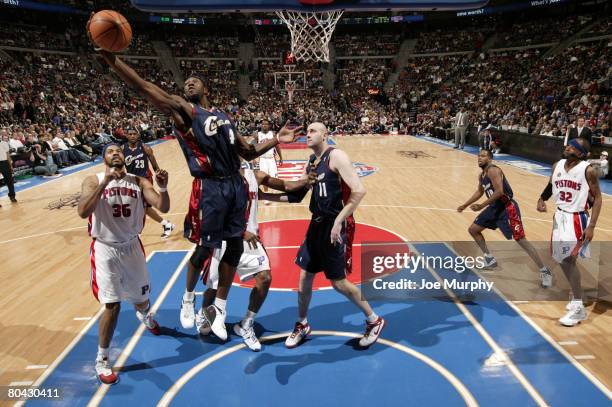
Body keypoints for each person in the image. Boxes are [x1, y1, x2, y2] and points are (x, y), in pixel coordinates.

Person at [90, 21, 302, 341]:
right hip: (210, 186)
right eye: (186, 81)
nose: (188, 83)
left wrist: (278, 139)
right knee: (206, 247)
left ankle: (217, 306)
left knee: (233, 245)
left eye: (194, 81)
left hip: (234, 186)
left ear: (207, 90)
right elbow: (146, 88)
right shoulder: (183, 111)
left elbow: (247, 151)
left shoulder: (226, 119)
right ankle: (188, 298)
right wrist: (113, 61)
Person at [269, 122, 386, 349]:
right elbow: (296, 196)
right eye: (308, 131)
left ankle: (374, 320)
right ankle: (302, 323)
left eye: (313, 131)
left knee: (339, 283)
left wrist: (339, 221)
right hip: (316, 225)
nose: (308, 134)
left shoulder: (337, 156)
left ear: (325, 135)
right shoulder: (312, 162)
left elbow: (359, 190)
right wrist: (263, 195)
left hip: (335, 226)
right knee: (304, 279)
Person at [196, 161, 314, 350]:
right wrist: (240, 231)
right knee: (213, 287)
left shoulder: (255, 176)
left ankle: (246, 324)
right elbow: (211, 211)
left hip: (250, 240)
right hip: (225, 238)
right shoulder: (218, 178)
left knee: (265, 278)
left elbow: (286, 186)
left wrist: (307, 180)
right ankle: (204, 314)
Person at [77, 143, 170, 384]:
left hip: (132, 247)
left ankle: (144, 314)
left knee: (142, 301)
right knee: (112, 305)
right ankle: (102, 359)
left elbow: (163, 206)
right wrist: (105, 183)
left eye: (118, 150)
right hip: (105, 249)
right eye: (110, 151)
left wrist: (164, 187)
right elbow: (82, 211)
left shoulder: (138, 182)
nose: (116, 153)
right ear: (104, 158)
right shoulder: (92, 180)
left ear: (124, 156)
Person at [458, 150, 552, 286]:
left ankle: (544, 271)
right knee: (473, 229)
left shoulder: (493, 170)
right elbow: (480, 191)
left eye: (483, 156)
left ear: (490, 159)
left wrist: (482, 205)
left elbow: (500, 191)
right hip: (494, 207)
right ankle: (489, 259)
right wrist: (465, 205)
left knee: (521, 240)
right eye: (479, 156)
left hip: (507, 208)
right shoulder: (482, 175)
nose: (479, 158)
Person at [537, 138, 602, 327]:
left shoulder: (587, 170)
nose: (568, 147)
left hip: (577, 218)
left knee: (567, 260)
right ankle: (576, 296)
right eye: (568, 145)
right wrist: (542, 198)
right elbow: (552, 184)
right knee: (561, 257)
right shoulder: (556, 165)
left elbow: (597, 199)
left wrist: (592, 226)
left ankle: (578, 307)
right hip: (559, 217)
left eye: (573, 147)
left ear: (581, 153)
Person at [123, 127, 175, 239]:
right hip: (133, 181)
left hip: (146, 179)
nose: (132, 136)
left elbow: (155, 166)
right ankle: (166, 224)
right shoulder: (123, 149)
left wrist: (159, 174)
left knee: (142, 207)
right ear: (126, 135)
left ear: (138, 135)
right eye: (130, 134)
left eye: (134, 134)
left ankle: (137, 233)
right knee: (144, 208)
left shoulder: (145, 148)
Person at [256, 119, 283, 205]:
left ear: (269, 125)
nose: (264, 126)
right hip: (263, 159)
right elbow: (252, 147)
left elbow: (277, 146)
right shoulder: (257, 135)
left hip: (271, 159)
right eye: (263, 124)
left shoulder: (273, 134)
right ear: (261, 125)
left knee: (273, 177)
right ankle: (265, 196)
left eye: (266, 124)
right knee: (264, 177)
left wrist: (281, 157)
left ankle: (273, 194)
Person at [0, 131, 16, 203]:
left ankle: (12, 196)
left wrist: (10, 165)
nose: (4, 135)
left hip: (4, 163)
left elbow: (7, 155)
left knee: (9, 180)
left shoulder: (4, 143)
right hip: (3, 163)